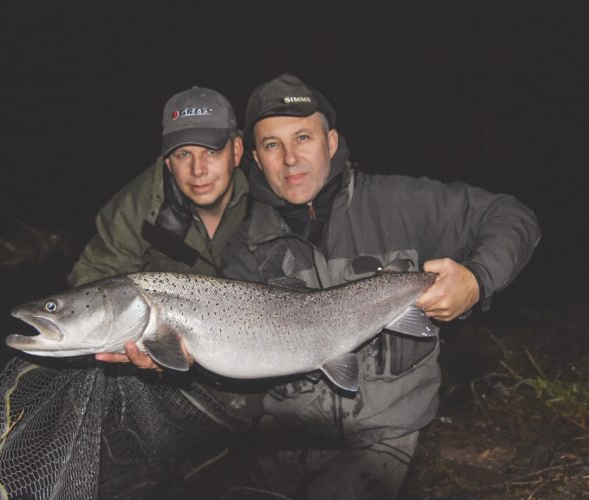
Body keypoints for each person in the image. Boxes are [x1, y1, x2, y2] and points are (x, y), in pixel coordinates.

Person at [220, 73, 541, 499]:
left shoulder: (400, 204)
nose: (290, 159)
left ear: (331, 142)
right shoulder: (244, 246)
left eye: (303, 137)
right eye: (272, 145)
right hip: (286, 438)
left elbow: (512, 216)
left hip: (385, 436)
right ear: (257, 160)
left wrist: (476, 280)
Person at [67, 86, 248, 368]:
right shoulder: (135, 206)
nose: (197, 169)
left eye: (211, 151)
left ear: (236, 151)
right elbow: (94, 277)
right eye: (183, 155)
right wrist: (125, 336)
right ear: (167, 162)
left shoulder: (269, 195)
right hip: (168, 347)